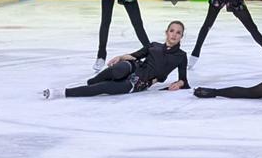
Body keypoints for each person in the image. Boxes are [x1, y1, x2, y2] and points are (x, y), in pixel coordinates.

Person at [43, 21, 189, 99]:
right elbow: (135, 56)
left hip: (139, 82)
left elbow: (183, 79)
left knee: (104, 88)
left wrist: (179, 83)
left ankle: (62, 93)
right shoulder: (153, 46)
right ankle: (92, 82)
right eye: (172, 31)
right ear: (166, 32)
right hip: (135, 67)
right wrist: (120, 57)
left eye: (178, 32)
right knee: (119, 69)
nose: (174, 35)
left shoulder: (181, 56)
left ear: (181, 36)